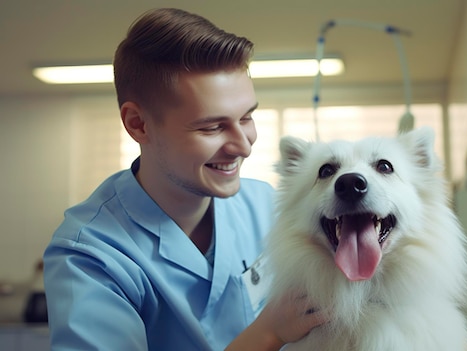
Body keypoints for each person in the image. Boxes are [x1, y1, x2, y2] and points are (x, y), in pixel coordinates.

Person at [43, 8, 326, 351]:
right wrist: (270, 332)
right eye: (212, 127)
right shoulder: (90, 254)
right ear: (138, 124)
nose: (243, 146)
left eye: (247, 117)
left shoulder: (265, 204)